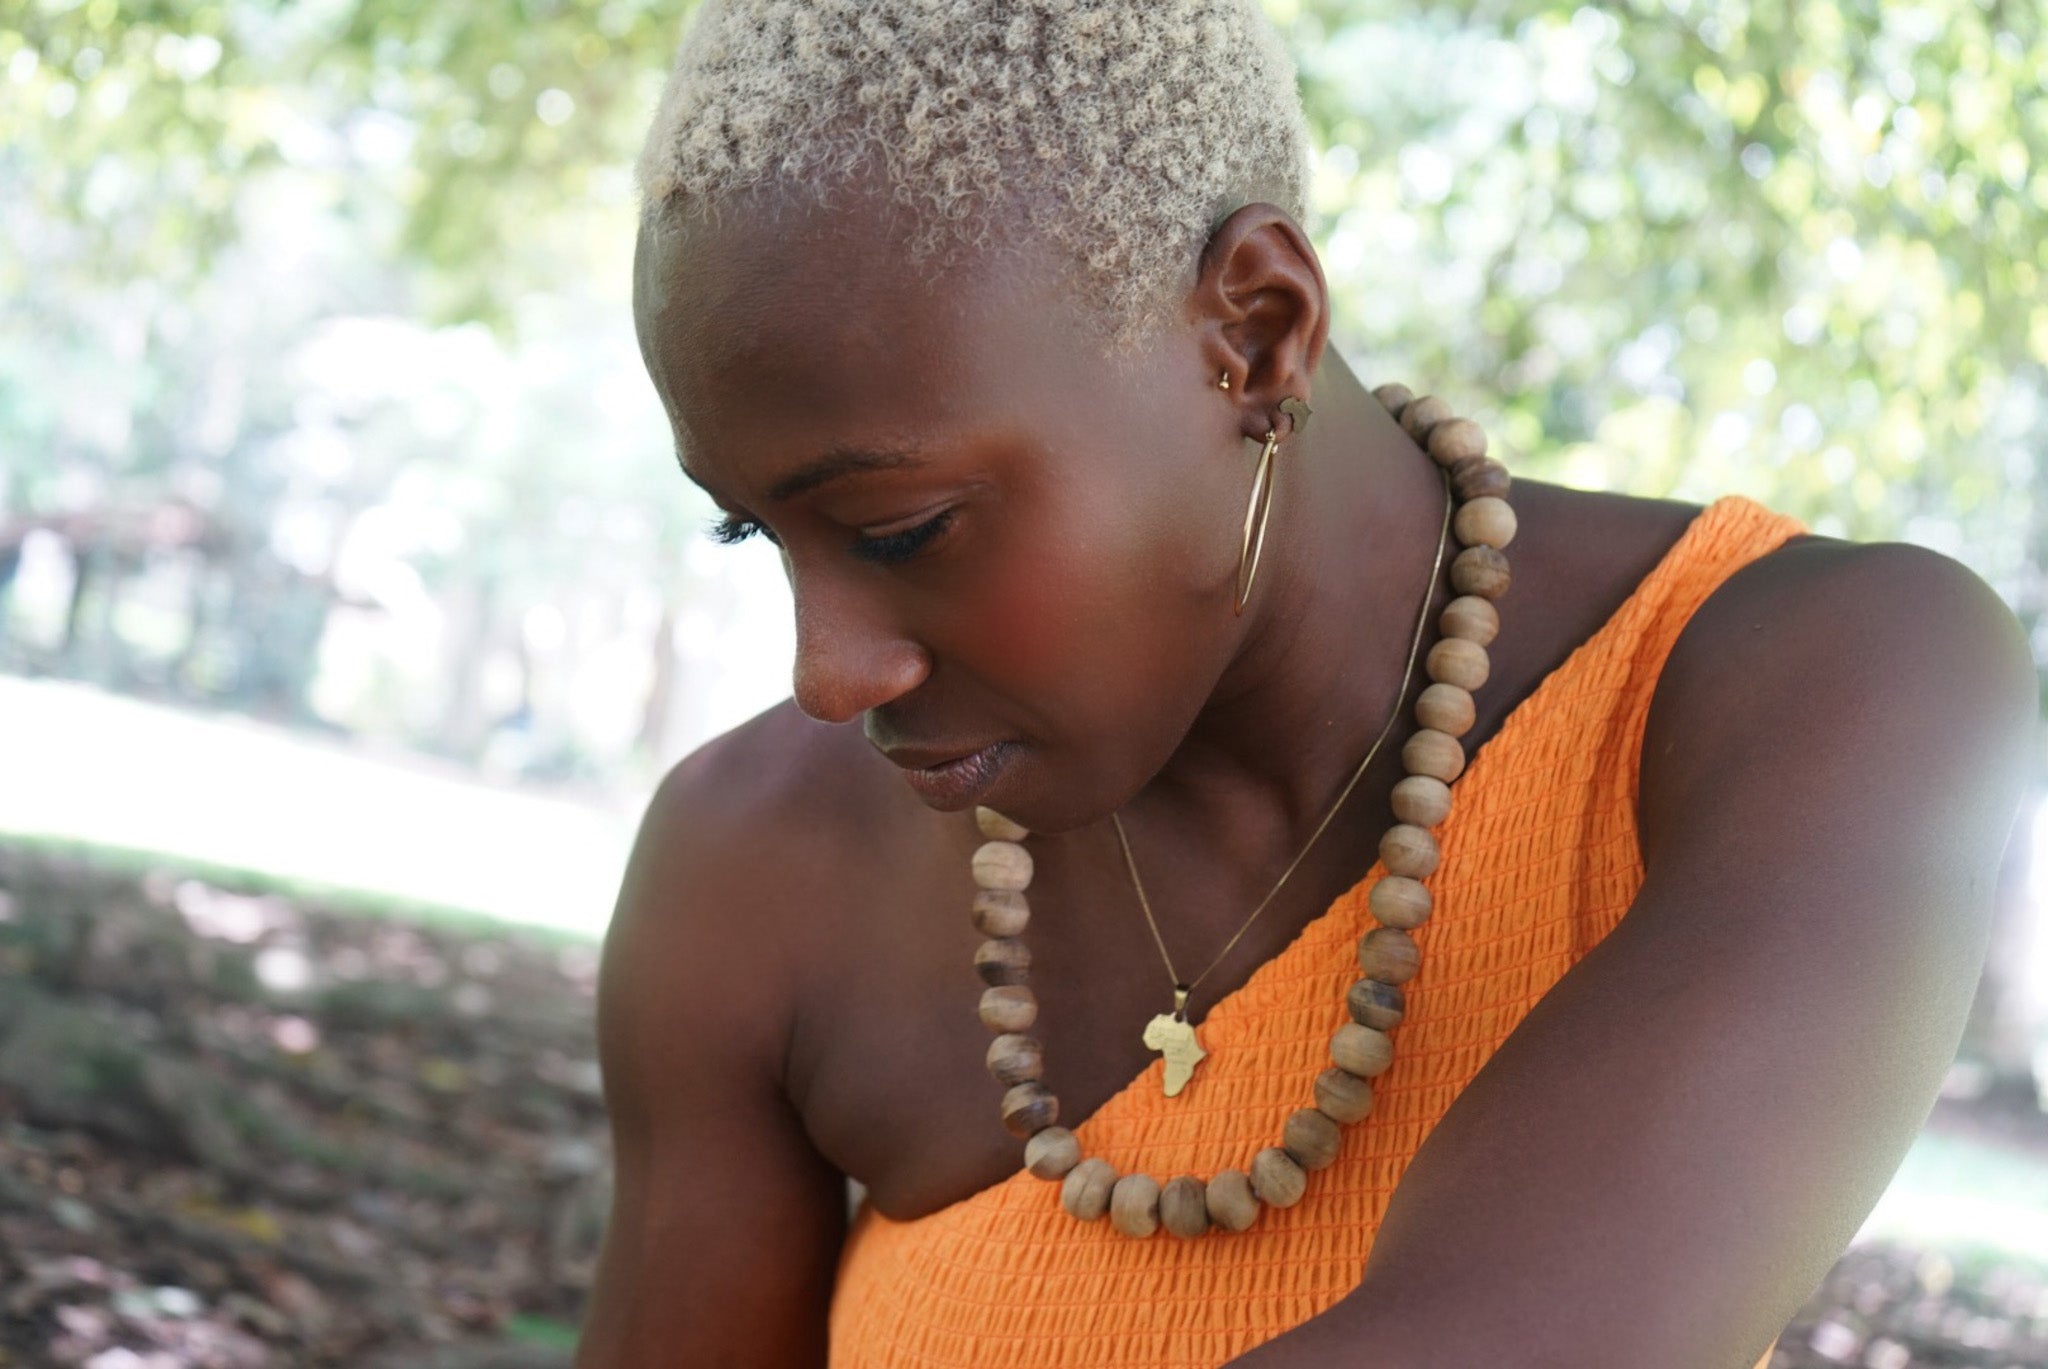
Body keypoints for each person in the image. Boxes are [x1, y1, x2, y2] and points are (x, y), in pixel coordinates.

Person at [574, 3, 2036, 1366]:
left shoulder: (1819, 686)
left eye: (905, 528)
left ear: (1256, 331)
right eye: (755, 530)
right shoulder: (758, 866)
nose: (830, 670)